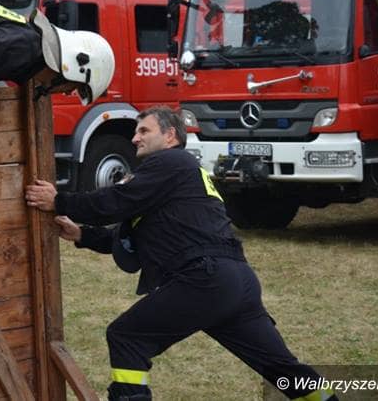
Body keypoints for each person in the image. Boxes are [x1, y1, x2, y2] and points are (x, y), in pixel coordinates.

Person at [25, 106, 336, 401]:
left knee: (127, 337)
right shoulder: (175, 177)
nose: (134, 138)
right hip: (234, 282)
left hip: (204, 280)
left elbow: (115, 201)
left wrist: (60, 201)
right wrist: (82, 235)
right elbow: (133, 238)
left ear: (170, 136)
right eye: (135, 132)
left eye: (144, 131)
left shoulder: (170, 162)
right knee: (280, 367)